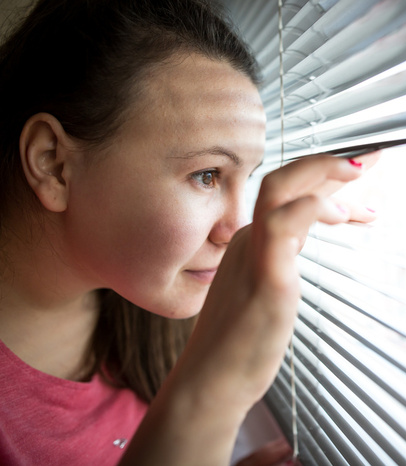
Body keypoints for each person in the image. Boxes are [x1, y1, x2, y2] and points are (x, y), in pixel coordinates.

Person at [0, 0, 379, 464]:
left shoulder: (140, 318)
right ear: (53, 163)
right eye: (207, 175)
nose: (235, 230)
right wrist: (211, 393)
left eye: (248, 179)